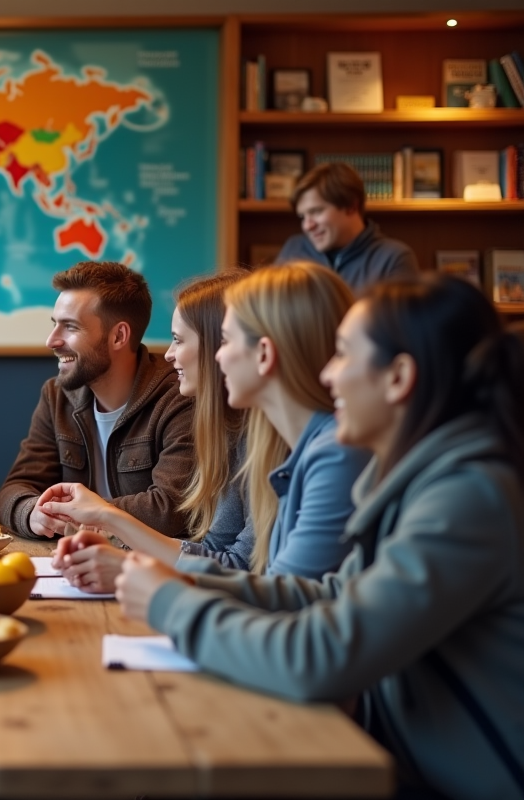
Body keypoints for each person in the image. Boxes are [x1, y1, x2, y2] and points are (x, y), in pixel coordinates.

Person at [117, 274, 524, 800]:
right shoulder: (416, 479)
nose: (328, 375)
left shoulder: (467, 498)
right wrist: (183, 578)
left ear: (399, 377)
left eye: (344, 355)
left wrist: (172, 605)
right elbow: (330, 595)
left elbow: (322, 654)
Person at [46, 262, 369, 583]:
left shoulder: (330, 454)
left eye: (225, 341)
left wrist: (133, 565)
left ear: (264, 353)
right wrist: (112, 529)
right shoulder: (255, 438)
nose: (170, 355)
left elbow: (282, 594)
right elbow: (227, 555)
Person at [42, 270, 250, 592]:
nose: (168, 354)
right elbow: (216, 551)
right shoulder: (232, 433)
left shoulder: (262, 441)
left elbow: (240, 568)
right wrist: (101, 516)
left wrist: (108, 522)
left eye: (178, 340)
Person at [0, 261, 194, 540]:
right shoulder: (57, 396)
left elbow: (171, 510)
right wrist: (32, 513)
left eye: (70, 327)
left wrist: (83, 513)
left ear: (118, 336)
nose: (51, 341)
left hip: (146, 570)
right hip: (77, 564)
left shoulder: (178, 397)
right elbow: (14, 489)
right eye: (55, 325)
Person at [276, 162, 418, 291]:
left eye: (316, 212)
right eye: (302, 216)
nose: (307, 226)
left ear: (351, 206)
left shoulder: (393, 258)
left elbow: (400, 319)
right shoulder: (294, 248)